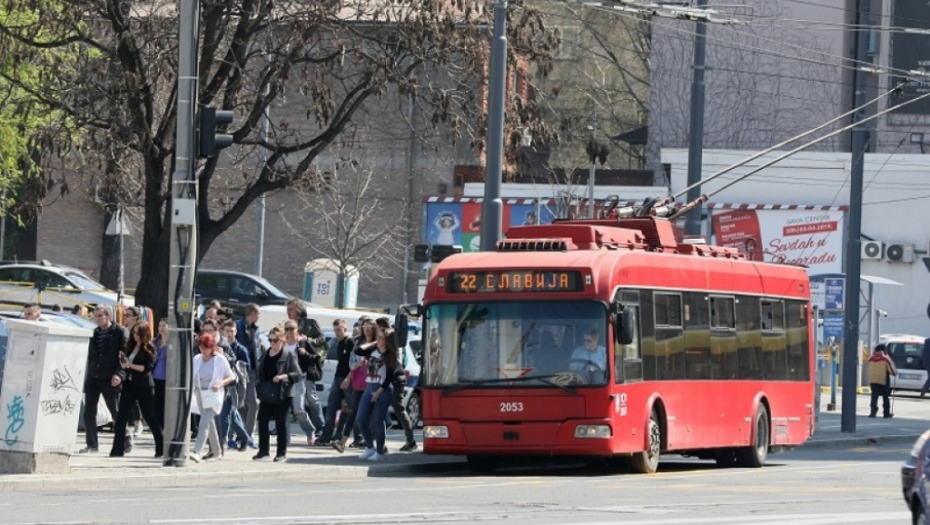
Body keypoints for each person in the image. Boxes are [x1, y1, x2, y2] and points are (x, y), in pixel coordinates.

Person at [80, 305, 131, 454]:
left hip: (110, 377)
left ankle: (126, 437)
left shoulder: (120, 332)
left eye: (100, 316)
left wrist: (119, 374)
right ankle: (92, 445)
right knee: (89, 412)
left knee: (115, 410)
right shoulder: (95, 333)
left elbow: (124, 356)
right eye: (95, 316)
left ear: (108, 316)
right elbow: (91, 355)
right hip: (94, 377)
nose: (97, 319)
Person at [109, 322, 163, 458]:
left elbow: (146, 368)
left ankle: (161, 447)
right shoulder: (130, 347)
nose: (135, 336)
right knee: (121, 416)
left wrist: (130, 365)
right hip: (129, 384)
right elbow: (125, 365)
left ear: (144, 334)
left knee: (149, 416)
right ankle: (117, 449)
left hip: (144, 386)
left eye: (138, 333)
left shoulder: (149, 348)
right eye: (134, 333)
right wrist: (123, 363)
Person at [253, 326, 301, 462]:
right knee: (262, 420)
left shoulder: (288, 355)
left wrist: (282, 377)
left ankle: (281, 453)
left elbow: (297, 374)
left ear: (282, 341)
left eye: (275, 340)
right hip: (267, 392)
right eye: (270, 340)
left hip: (283, 393)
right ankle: (263, 451)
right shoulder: (265, 353)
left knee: (281, 423)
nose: (272, 343)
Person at [353, 327, 400, 462]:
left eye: (381, 338)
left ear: (387, 341)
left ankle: (380, 451)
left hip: (382, 389)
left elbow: (389, 377)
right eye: (378, 337)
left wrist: (379, 392)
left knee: (379, 421)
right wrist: (373, 343)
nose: (378, 340)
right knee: (361, 418)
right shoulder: (373, 350)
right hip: (369, 386)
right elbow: (358, 350)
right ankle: (369, 447)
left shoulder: (390, 355)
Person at [189, 333, 235, 463]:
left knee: (203, 423)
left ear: (212, 347)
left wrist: (220, 383)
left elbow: (231, 376)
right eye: (201, 348)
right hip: (199, 393)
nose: (203, 351)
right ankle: (216, 451)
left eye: (206, 348)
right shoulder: (197, 358)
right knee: (209, 423)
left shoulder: (220, 359)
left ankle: (197, 451)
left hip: (214, 395)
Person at [285, 299, 327, 442]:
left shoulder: (309, 323)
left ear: (298, 309)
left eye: (290, 309)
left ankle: (320, 425)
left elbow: (322, 339)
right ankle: (283, 425)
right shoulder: (288, 326)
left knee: (311, 397)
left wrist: (308, 339)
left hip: (307, 367)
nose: (288, 311)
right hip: (294, 369)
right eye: (287, 309)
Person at [219, 320, 256, 451]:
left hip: (234, 385)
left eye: (232, 331)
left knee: (226, 414)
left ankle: (223, 441)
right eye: (227, 331)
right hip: (220, 383)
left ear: (236, 332)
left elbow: (247, 368)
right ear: (223, 331)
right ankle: (245, 438)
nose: (229, 334)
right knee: (232, 414)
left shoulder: (241, 349)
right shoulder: (220, 345)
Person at [320, 319, 355, 445]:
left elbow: (354, 364)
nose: (337, 332)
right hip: (338, 377)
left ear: (345, 329)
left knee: (353, 409)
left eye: (339, 329)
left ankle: (359, 438)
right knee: (331, 407)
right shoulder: (337, 343)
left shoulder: (350, 342)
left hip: (348, 380)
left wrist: (348, 379)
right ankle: (325, 436)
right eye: (335, 330)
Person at [236, 303, 262, 440]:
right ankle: (241, 432)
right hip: (239, 369)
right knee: (240, 403)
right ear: (252, 314)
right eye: (258, 313)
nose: (259, 316)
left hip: (252, 370)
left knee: (252, 402)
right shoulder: (238, 326)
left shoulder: (256, 330)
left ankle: (248, 433)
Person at [868, 344, 897, 418]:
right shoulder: (886, 359)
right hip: (883, 380)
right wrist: (895, 373)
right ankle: (886, 413)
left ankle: (873, 411)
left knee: (874, 396)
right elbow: (892, 371)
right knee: (885, 397)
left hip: (873, 380)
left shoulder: (871, 358)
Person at [151, 318, 169, 429]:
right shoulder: (154, 342)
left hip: (167, 378)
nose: (161, 328)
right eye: (160, 326)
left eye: (164, 326)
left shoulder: (173, 342)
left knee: (164, 406)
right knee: (155, 406)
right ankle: (158, 430)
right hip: (155, 377)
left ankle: (164, 429)